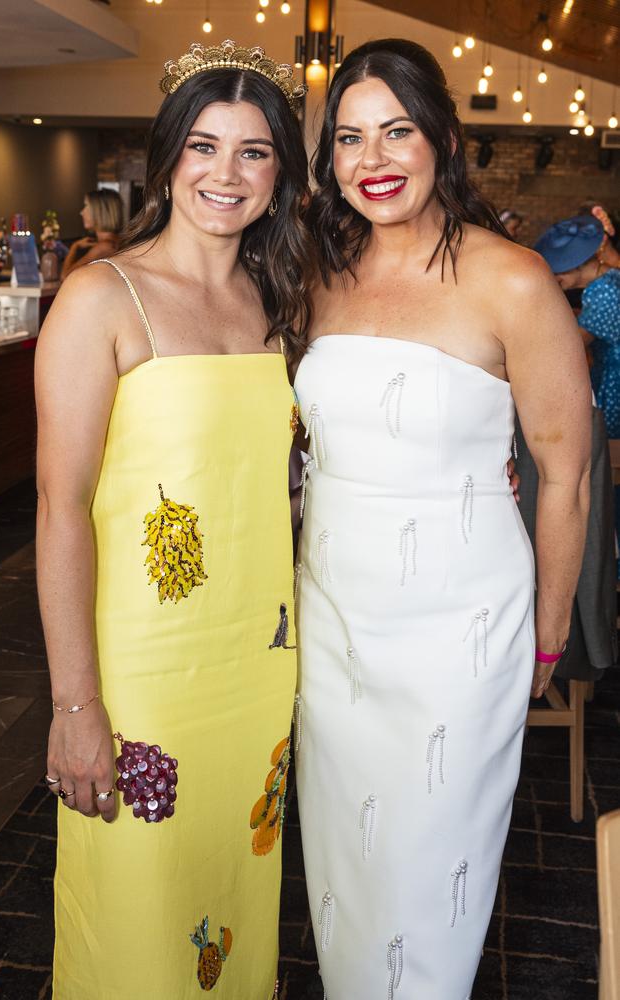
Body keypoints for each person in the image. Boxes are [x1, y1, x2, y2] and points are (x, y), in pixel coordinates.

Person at [293, 38, 591, 999]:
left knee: (428, 891)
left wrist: (545, 642)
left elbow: (566, 474)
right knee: (344, 881)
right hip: (334, 629)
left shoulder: (513, 281)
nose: (372, 160)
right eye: (349, 139)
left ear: (444, 141)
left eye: (396, 131)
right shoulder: (316, 275)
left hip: (460, 641)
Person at [36, 39, 311, 999]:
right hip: (144, 680)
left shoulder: (275, 303)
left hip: (255, 671)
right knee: (138, 930)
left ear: (280, 176)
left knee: (233, 902)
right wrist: (77, 705)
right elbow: (60, 509)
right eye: (204, 146)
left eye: (253, 152)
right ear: (168, 159)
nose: (225, 174)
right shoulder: (101, 297)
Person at [535, 215, 620, 437]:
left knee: (606, 454)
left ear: (576, 263)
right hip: (607, 372)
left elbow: (575, 342)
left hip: (613, 383)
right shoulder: (607, 281)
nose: (552, 278)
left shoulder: (605, 290)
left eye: (556, 270)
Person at [60, 188, 124, 278]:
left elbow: (65, 276)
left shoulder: (105, 246)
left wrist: (74, 246)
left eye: (86, 206)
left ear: (99, 211)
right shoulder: (116, 241)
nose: (81, 212)